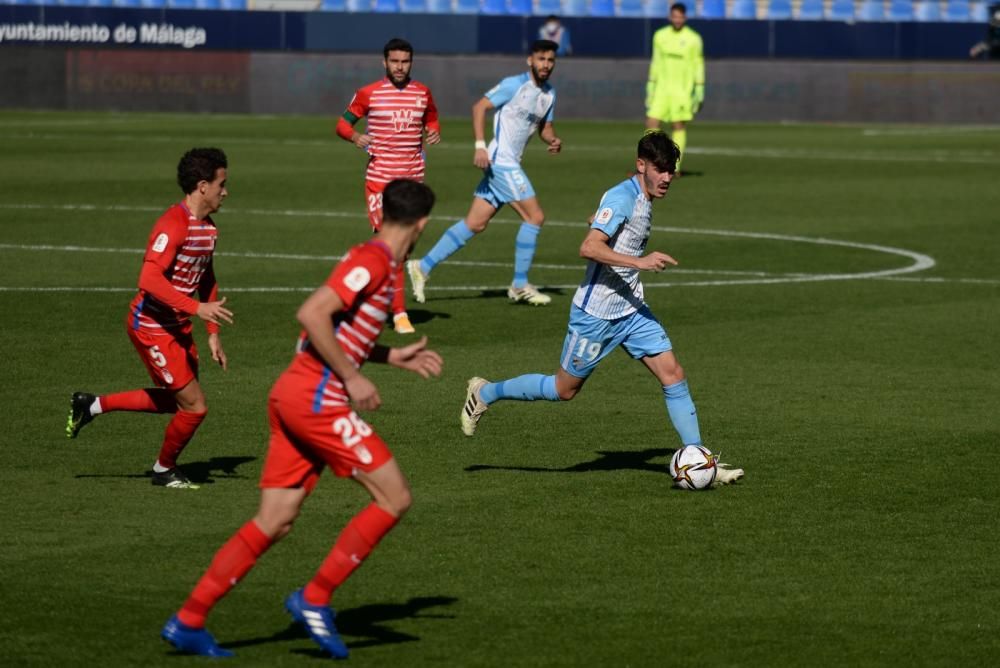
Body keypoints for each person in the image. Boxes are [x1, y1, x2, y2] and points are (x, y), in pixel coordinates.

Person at [161, 180, 443, 659]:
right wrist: (353, 378)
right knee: (394, 497)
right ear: (422, 225)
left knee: (275, 520)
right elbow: (313, 314)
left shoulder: (381, 263)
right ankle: (314, 598)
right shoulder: (373, 261)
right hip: (317, 399)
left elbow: (339, 329)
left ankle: (188, 620)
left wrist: (389, 359)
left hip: (294, 395)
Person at [459, 132, 743, 486]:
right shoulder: (623, 196)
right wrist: (638, 261)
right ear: (641, 165)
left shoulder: (637, 192)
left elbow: (605, 220)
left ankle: (700, 462)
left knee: (673, 373)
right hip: (595, 314)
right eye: (661, 169)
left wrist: (603, 222)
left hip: (631, 307)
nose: (668, 177)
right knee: (564, 390)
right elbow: (589, 247)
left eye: (672, 170)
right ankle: (485, 392)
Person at [66, 148, 234, 490]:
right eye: (221, 184)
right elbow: (149, 280)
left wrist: (212, 332)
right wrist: (196, 309)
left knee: (179, 402)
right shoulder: (173, 224)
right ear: (203, 186)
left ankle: (92, 405)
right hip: (151, 326)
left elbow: (206, 277)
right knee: (195, 406)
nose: (225, 191)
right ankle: (163, 470)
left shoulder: (208, 229)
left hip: (178, 327)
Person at [407, 39, 562, 307]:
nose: (545, 65)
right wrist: (480, 147)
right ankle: (519, 284)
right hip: (501, 161)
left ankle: (422, 266)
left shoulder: (549, 94)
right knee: (535, 217)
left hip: (508, 162)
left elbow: (544, 129)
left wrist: (552, 140)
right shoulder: (514, 85)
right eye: (541, 59)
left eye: (550, 60)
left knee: (475, 223)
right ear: (530, 60)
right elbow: (479, 107)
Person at [336, 37, 441, 335]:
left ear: (411, 62)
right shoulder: (369, 93)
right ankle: (398, 313)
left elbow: (431, 117)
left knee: (402, 250)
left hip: (412, 182)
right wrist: (355, 137)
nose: (399, 66)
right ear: (384, 63)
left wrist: (433, 131)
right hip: (381, 181)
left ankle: (362, 293)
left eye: (405, 61)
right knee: (390, 246)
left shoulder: (422, 93)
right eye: (394, 61)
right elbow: (343, 124)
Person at [645, 3, 704, 175]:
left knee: (678, 125)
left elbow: (698, 64)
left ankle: (674, 168)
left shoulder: (694, 39)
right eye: (674, 16)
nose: (677, 19)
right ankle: (651, 166)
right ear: (670, 16)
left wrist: (699, 88)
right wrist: (651, 85)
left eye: (680, 16)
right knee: (651, 123)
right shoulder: (660, 35)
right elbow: (655, 62)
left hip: (682, 89)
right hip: (662, 88)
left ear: (684, 17)